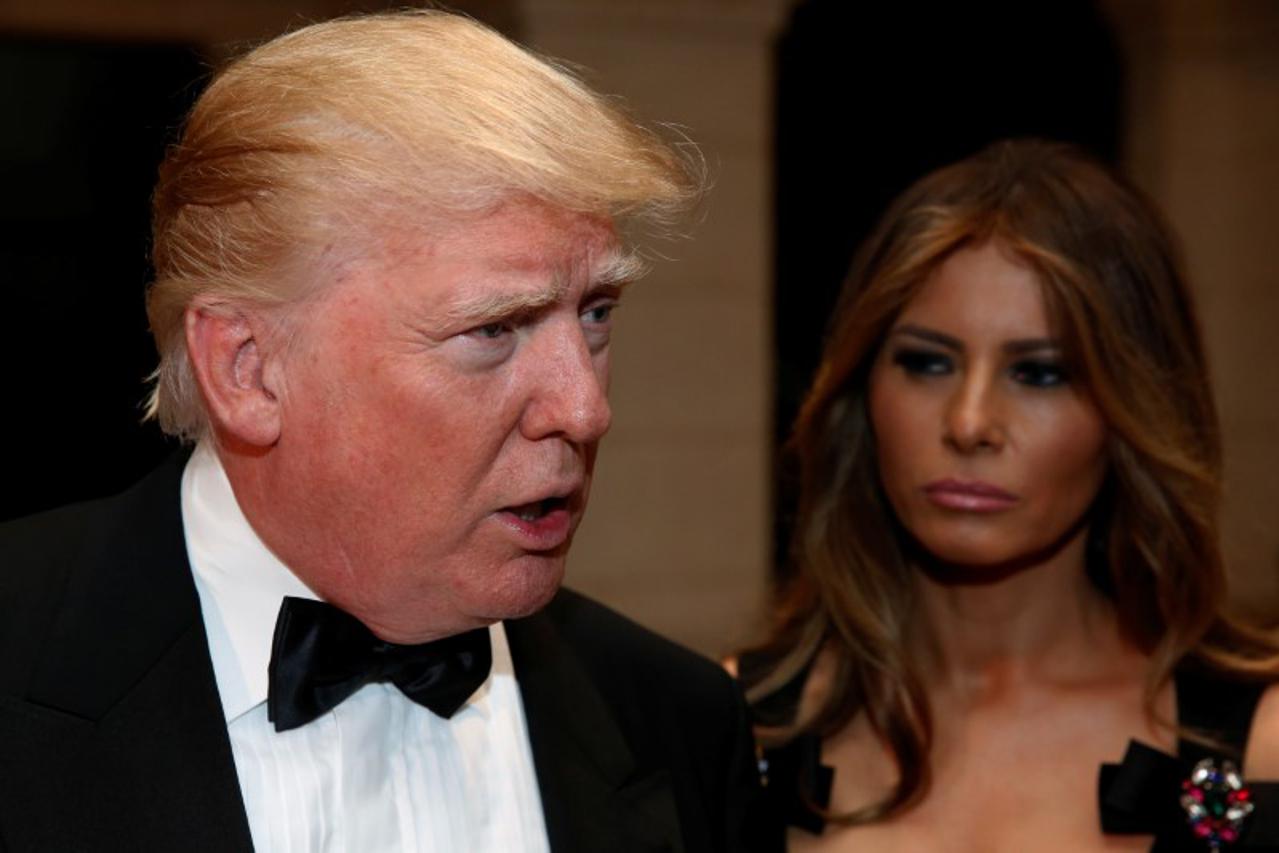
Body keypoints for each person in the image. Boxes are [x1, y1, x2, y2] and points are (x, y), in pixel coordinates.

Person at [0, 11, 770, 853]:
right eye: (494, 329)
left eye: (594, 314)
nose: (585, 408)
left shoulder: (676, 720)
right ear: (248, 369)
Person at [739, 139, 1279, 851]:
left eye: (1040, 374)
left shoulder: (1261, 740)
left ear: (1134, 407)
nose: (968, 423)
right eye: (926, 362)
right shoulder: (732, 721)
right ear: (859, 390)